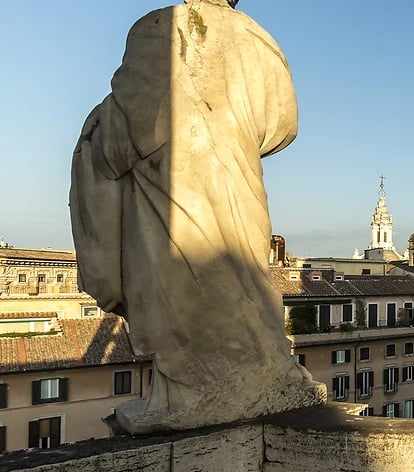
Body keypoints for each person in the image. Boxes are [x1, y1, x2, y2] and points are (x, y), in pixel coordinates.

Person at [70, 0, 324, 434]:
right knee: (243, 278)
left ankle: (194, 393)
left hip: (175, 184)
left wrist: (94, 129)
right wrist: (229, 125)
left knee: (187, 281)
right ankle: (252, 379)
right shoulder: (262, 41)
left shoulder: (160, 27)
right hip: (239, 181)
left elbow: (126, 134)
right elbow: (284, 124)